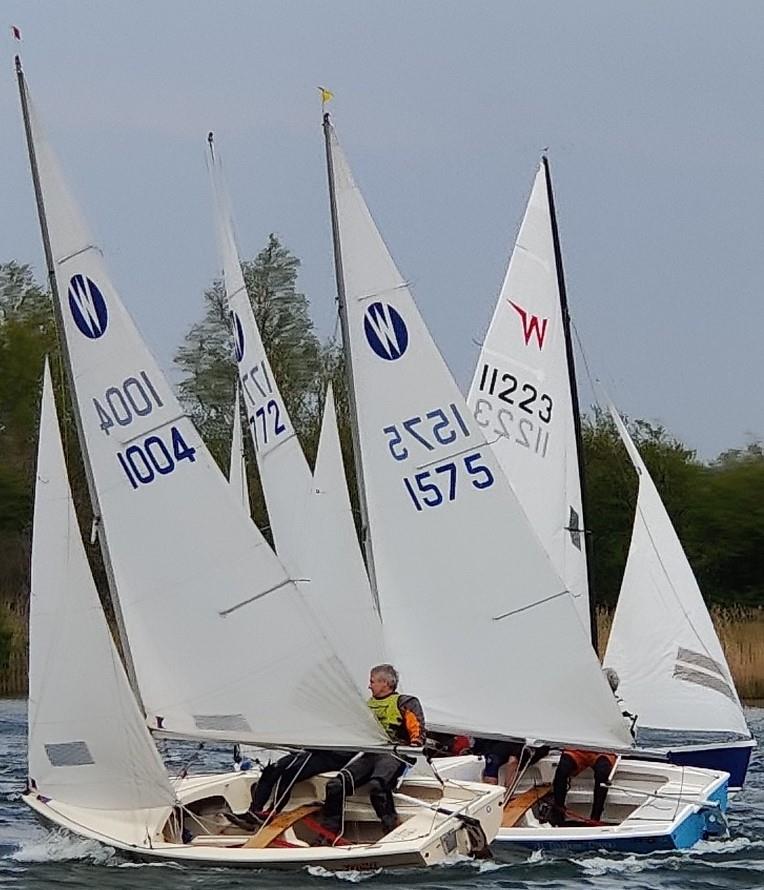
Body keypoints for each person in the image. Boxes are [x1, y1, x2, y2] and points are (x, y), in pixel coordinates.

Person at [322, 663, 425, 835]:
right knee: (335, 785)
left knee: (377, 786)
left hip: (396, 754)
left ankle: (391, 827)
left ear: (385, 683)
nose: (369, 686)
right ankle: (329, 832)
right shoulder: (365, 705)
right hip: (371, 754)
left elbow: (417, 730)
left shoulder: (405, 702)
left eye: (373, 681)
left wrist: (415, 743)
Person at [549, 668, 636, 826]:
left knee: (603, 771)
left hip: (604, 748)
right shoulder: (583, 703)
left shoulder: (620, 705)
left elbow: (629, 730)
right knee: (562, 768)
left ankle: (595, 817)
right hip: (582, 746)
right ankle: (558, 810)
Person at [227, 749, 351, 828]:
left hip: (334, 754)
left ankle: (272, 812)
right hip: (313, 750)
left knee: (289, 773)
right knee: (271, 770)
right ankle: (254, 811)